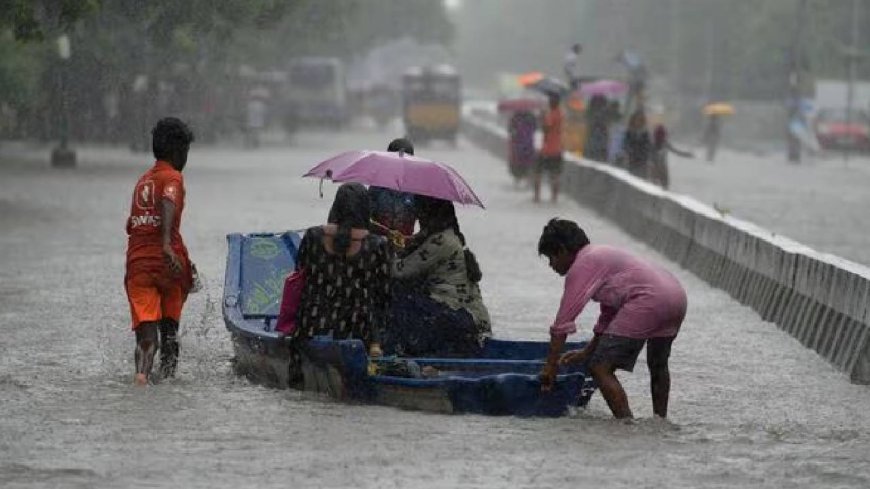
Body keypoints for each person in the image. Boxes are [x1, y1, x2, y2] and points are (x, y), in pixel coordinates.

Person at [537, 219, 687, 419]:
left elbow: (562, 323)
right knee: (658, 364)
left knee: (600, 367)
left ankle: (626, 425)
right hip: (675, 296)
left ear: (563, 250)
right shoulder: (601, 255)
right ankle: (661, 422)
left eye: (551, 258)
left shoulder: (582, 265)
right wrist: (587, 351)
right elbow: (609, 315)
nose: (551, 265)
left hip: (648, 300)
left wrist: (550, 366)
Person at [125, 117, 195, 385]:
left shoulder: (142, 182)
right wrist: (166, 244)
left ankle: (142, 374)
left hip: (139, 266)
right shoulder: (173, 177)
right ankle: (167, 382)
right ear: (178, 151)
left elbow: (132, 224)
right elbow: (167, 200)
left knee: (146, 335)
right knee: (170, 335)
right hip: (169, 265)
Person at [384, 195, 491, 357]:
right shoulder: (449, 236)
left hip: (462, 318)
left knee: (397, 295)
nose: (418, 217)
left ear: (429, 213)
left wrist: (386, 248)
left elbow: (398, 271)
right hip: (472, 318)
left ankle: (397, 351)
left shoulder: (440, 241)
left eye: (420, 212)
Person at [292, 183, 391, 357]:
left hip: (312, 323)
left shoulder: (313, 236)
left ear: (336, 206)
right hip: (360, 328)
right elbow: (384, 294)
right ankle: (376, 348)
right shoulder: (377, 244)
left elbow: (299, 274)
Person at [369, 138, 416, 245]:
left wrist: (411, 239)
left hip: (405, 245)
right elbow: (367, 217)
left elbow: (424, 222)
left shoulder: (417, 189)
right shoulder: (377, 187)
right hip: (378, 245)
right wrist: (387, 233)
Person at [534, 95, 564, 203]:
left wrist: (541, 117)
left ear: (551, 103)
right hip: (557, 148)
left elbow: (546, 127)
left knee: (538, 173)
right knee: (555, 174)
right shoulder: (561, 113)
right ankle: (554, 197)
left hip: (545, 149)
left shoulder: (551, 114)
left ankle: (537, 196)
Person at [650, 124, 693, 189]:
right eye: (660, 135)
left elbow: (676, 151)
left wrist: (686, 154)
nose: (662, 137)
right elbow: (676, 151)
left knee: (661, 187)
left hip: (661, 170)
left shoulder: (664, 144)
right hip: (657, 170)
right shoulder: (654, 145)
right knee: (657, 187)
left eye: (663, 135)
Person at [507, 109, 538, 185]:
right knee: (527, 162)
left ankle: (518, 180)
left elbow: (510, 130)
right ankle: (526, 180)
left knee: (518, 162)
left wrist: (514, 131)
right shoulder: (531, 117)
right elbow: (535, 128)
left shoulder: (515, 117)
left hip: (519, 144)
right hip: (527, 144)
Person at [621, 110, 651, 179]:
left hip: (642, 161)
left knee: (641, 179)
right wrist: (629, 151)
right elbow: (625, 144)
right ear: (633, 120)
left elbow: (648, 147)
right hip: (631, 160)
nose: (638, 122)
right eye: (637, 120)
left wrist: (645, 154)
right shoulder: (629, 132)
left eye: (640, 120)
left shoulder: (645, 133)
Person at [583, 95, 610, 162]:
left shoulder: (602, 112)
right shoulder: (593, 111)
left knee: (593, 150)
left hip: (597, 133)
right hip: (595, 133)